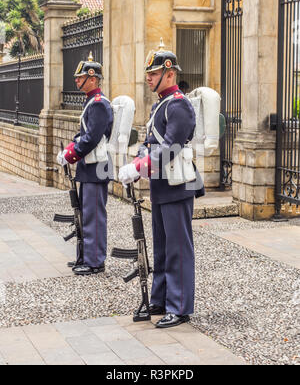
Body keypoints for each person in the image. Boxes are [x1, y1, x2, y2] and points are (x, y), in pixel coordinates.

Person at [119, 40, 204, 328]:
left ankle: (179, 306)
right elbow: (149, 142)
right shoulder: (161, 105)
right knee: (162, 247)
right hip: (161, 185)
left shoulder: (178, 105)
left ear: (169, 73)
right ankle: (161, 298)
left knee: (178, 248)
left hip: (178, 185)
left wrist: (139, 167)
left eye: (154, 73)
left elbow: (171, 147)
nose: (148, 77)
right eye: (149, 73)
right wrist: (139, 159)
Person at [57, 52, 113, 276]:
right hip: (90, 166)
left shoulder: (98, 104)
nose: (77, 81)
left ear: (93, 78)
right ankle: (86, 256)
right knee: (86, 214)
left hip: (96, 167)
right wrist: (70, 149)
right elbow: (83, 135)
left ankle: (95, 261)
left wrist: (71, 155)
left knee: (94, 216)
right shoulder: (91, 102)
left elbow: (91, 138)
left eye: (81, 77)